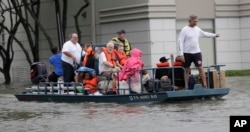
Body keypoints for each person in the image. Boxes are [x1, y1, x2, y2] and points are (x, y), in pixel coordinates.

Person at [178, 15, 220, 88]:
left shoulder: (197, 29)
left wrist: (214, 35)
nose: (196, 23)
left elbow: (205, 34)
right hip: (187, 53)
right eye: (194, 21)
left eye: (197, 21)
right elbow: (180, 41)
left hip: (197, 52)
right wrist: (181, 54)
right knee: (187, 69)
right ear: (190, 21)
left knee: (200, 67)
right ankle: (186, 86)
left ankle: (204, 85)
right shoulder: (184, 29)